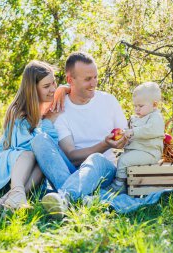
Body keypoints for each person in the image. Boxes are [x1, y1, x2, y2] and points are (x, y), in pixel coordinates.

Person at [31, 52, 128, 219]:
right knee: (39, 139)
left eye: (96, 77)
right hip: (72, 169)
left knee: (96, 158)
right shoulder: (60, 108)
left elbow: (126, 138)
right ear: (70, 80)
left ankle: (63, 197)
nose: (94, 83)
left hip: (103, 170)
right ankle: (76, 197)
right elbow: (71, 156)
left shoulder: (108, 101)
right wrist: (104, 144)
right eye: (87, 79)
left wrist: (123, 140)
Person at [0, 60, 64, 216]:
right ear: (32, 89)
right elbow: (29, 146)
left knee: (42, 162)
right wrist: (48, 122)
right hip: (6, 156)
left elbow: (47, 147)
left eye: (54, 83)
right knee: (32, 154)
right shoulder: (19, 111)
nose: (53, 89)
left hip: (24, 162)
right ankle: (16, 194)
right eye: (46, 86)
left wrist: (63, 89)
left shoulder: (43, 106)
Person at [107, 82, 165, 194]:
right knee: (122, 159)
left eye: (141, 106)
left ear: (154, 105)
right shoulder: (137, 117)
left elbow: (151, 130)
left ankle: (118, 185)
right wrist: (123, 133)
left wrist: (133, 132)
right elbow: (131, 132)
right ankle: (126, 183)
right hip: (139, 150)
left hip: (150, 152)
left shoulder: (155, 117)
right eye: (135, 106)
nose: (137, 109)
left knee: (124, 160)